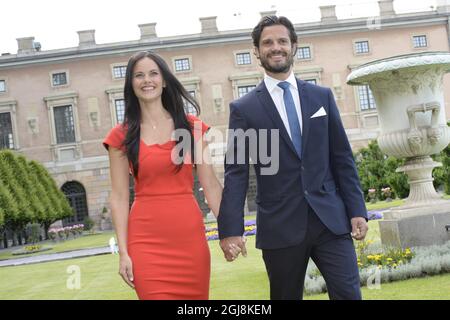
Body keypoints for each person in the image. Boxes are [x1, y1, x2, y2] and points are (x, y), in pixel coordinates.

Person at [217, 16, 369, 300]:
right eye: (268, 43)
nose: (276, 47)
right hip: (280, 227)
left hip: (330, 221)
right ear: (257, 51)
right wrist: (230, 230)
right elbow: (236, 172)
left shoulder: (321, 97)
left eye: (282, 41)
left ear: (294, 46)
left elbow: (342, 158)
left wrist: (357, 209)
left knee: (349, 295)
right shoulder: (244, 108)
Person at [103, 51, 231, 300]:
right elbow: (118, 197)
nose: (146, 80)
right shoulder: (121, 136)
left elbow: (212, 187)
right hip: (146, 243)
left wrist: (228, 230)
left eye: (153, 73)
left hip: (189, 239)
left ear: (163, 80)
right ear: (131, 84)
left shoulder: (191, 127)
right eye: (138, 75)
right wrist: (123, 253)